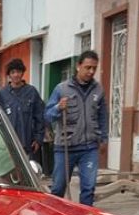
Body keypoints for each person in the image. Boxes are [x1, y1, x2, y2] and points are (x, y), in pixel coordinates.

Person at [44, 50, 109, 206]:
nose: (91, 71)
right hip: (65, 146)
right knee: (59, 187)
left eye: (94, 68)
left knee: (88, 188)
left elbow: (103, 116)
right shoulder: (61, 89)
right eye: (88, 67)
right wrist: (58, 108)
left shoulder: (98, 90)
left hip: (89, 148)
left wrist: (104, 138)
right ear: (78, 66)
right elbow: (47, 115)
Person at [0, 58, 44, 161]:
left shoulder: (32, 92)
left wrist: (38, 139)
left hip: (28, 144)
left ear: (22, 73)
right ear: (9, 75)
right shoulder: (2, 95)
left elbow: (40, 117)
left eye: (18, 71)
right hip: (8, 145)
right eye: (13, 72)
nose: (16, 75)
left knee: (28, 173)